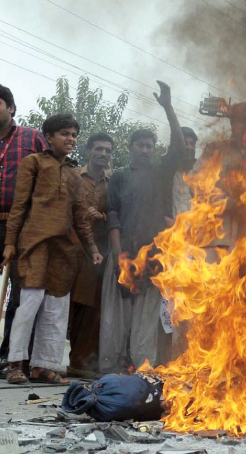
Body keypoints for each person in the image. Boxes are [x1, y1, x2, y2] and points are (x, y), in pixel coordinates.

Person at [2, 114, 101, 384]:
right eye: (65, 134)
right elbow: (19, 206)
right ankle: (15, 364)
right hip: (34, 243)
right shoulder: (32, 162)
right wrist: (10, 243)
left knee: (57, 308)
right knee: (29, 304)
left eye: (74, 135)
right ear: (48, 137)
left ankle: (43, 366)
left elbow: (80, 216)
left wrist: (91, 247)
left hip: (64, 250)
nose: (71, 139)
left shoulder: (74, 173)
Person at [98, 81, 188, 373]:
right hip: (122, 252)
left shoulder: (161, 174)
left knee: (146, 318)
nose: (146, 150)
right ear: (131, 148)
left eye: (150, 146)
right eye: (141, 145)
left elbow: (179, 146)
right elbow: (113, 215)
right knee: (116, 317)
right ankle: (112, 369)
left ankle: (142, 368)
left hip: (153, 256)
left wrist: (168, 107)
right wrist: (118, 255)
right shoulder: (120, 177)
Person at [0, 85, 47, 373]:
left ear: (11, 108)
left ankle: (11, 357)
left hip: (20, 225)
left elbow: (54, 169)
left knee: (21, 292)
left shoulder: (32, 137)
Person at [66, 133, 114, 379]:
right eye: (99, 149)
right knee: (69, 306)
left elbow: (117, 214)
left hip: (99, 254)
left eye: (107, 150)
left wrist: (103, 217)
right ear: (88, 151)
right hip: (70, 249)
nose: (103, 154)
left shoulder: (112, 182)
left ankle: (81, 361)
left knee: (92, 307)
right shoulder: (74, 177)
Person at [194, 103, 246, 260]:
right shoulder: (216, 150)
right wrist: (227, 203)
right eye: (243, 120)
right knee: (209, 283)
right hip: (216, 237)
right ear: (232, 123)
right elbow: (196, 184)